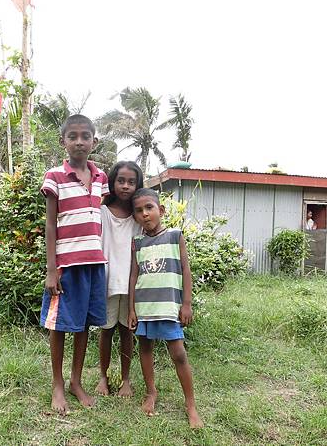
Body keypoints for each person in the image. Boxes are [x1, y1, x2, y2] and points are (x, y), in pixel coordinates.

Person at [40, 114, 110, 414]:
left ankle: (76, 381)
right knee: (59, 325)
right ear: (63, 141)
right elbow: (51, 224)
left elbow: (102, 217)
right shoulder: (55, 176)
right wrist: (51, 268)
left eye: (85, 136)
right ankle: (57, 384)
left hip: (94, 263)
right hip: (66, 265)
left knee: (83, 324)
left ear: (94, 141)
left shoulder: (101, 178)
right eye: (73, 136)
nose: (79, 141)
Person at [127, 188, 203, 429]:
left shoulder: (174, 235)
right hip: (145, 306)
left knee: (178, 354)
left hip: (168, 306)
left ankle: (190, 404)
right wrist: (131, 309)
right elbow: (133, 276)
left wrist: (187, 303)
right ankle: (151, 392)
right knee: (145, 348)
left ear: (160, 210)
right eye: (138, 211)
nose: (144, 214)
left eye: (149, 208)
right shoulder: (137, 242)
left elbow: (185, 270)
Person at [95, 161, 144, 398]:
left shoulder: (139, 216)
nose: (125, 186)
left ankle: (126, 380)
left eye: (131, 182)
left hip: (133, 285)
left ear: (138, 185)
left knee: (127, 331)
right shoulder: (102, 212)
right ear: (112, 182)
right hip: (107, 280)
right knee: (106, 331)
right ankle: (103, 378)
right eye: (121, 181)